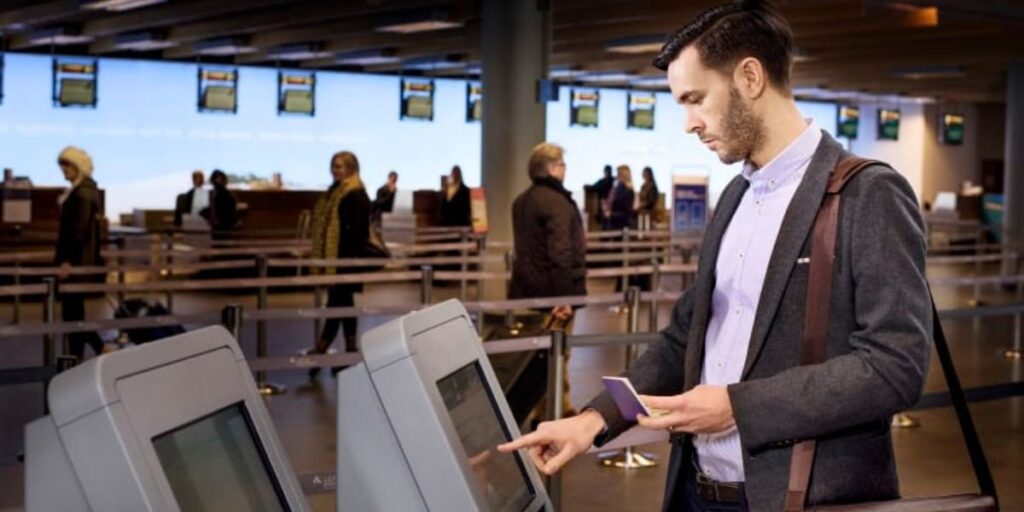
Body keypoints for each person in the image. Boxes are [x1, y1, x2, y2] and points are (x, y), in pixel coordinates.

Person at [499, 2, 930, 511]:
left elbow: (895, 364)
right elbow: (685, 337)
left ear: (750, 76)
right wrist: (593, 420)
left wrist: (736, 407)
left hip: (794, 497)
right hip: (696, 490)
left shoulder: (867, 194)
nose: (689, 123)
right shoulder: (735, 198)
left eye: (696, 99)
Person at [509, 142, 586, 419]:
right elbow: (561, 252)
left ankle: (547, 408)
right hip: (555, 294)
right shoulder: (558, 203)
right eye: (563, 165)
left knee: (537, 357)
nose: (565, 170)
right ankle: (556, 411)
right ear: (553, 169)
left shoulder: (521, 201)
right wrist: (564, 298)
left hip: (527, 292)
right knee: (557, 355)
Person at [307, 151, 372, 377]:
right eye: (333, 166)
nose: (335, 170)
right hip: (336, 260)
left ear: (351, 169)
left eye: (340, 167)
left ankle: (323, 349)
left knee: (338, 304)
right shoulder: (334, 192)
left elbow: (357, 232)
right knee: (341, 305)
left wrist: (345, 259)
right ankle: (347, 351)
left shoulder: (356, 195)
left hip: (346, 261)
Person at [54, 146, 106, 360]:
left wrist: (67, 261)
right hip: (76, 260)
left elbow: (78, 231)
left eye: (67, 165)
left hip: (75, 262)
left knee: (72, 312)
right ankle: (86, 350)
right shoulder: (83, 190)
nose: (64, 169)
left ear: (78, 166)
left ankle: (80, 353)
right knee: (73, 311)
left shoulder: (82, 193)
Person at [202, 169, 238, 234]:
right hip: (212, 226)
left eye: (220, 179)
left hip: (222, 226)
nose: (218, 181)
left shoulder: (225, 194)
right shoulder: (211, 193)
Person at [603, 164, 635, 230]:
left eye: (618, 174)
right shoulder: (616, 189)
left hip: (621, 225)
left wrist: (611, 214)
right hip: (612, 223)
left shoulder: (628, 191)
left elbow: (626, 212)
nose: (616, 176)